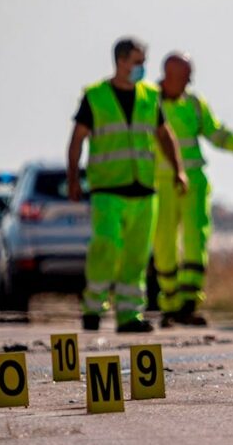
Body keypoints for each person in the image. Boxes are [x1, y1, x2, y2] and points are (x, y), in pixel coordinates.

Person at [67, 38, 187, 333]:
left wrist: (178, 169)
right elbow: (77, 139)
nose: (143, 68)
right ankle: (93, 308)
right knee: (105, 247)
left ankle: (128, 315)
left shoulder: (149, 95)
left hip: (144, 189)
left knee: (136, 256)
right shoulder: (95, 96)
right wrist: (73, 178)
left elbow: (164, 133)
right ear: (121, 61)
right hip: (107, 189)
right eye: (137, 61)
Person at [154, 53, 233, 328]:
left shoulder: (194, 103)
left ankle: (189, 304)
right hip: (160, 184)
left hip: (194, 182)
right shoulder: (149, 101)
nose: (189, 81)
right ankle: (169, 303)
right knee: (163, 242)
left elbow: (215, 133)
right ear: (170, 74)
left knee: (195, 240)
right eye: (185, 76)